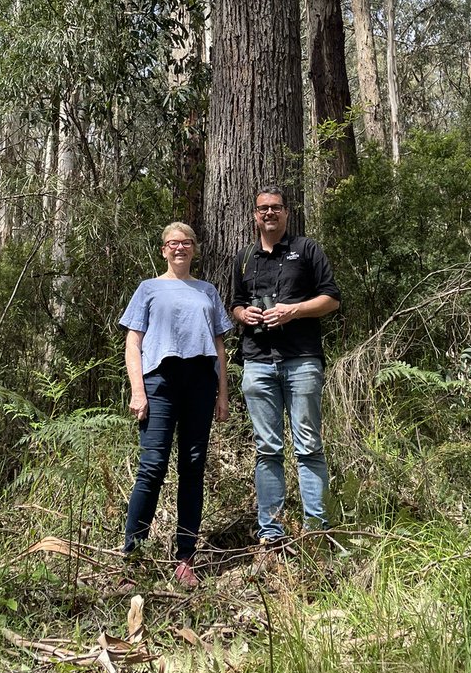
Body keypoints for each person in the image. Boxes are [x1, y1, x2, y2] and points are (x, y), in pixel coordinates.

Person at [120, 222, 231, 586]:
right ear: (164, 250)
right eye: (173, 244)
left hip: (200, 381)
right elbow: (133, 342)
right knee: (152, 467)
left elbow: (218, 347)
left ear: (194, 249)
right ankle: (132, 555)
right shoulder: (148, 289)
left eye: (186, 243)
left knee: (193, 467)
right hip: (160, 381)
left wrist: (223, 394)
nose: (180, 249)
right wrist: (138, 390)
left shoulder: (207, 291)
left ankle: (185, 557)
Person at [231, 185, 340, 543]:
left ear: (286, 213)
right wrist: (244, 314)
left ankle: (317, 530)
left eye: (276, 208)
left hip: (302, 360)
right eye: (263, 208)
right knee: (267, 449)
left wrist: (292, 311)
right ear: (254, 215)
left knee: (308, 445)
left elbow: (331, 299)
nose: (269, 214)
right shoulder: (244, 257)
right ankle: (271, 533)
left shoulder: (306, 249)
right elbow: (235, 303)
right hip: (258, 362)